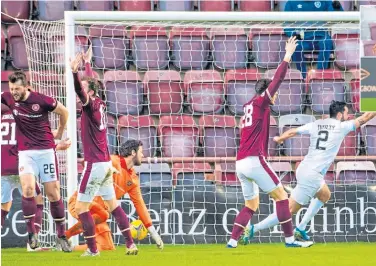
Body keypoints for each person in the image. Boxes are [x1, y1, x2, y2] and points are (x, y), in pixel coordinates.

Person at [245, 102, 376, 241]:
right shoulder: (342, 126)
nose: (347, 115)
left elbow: (293, 131)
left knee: (325, 194)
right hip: (312, 175)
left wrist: (280, 138)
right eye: (345, 112)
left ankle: (301, 228)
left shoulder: (317, 123)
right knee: (288, 211)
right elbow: (366, 117)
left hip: (304, 168)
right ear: (339, 114)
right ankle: (254, 228)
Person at [227, 36, 313, 248]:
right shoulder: (261, 102)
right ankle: (290, 240)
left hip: (240, 163)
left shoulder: (247, 105)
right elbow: (277, 80)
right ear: (267, 93)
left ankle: (232, 241)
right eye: (273, 95)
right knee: (282, 197)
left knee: (251, 204)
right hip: (255, 160)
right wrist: (287, 55)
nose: (274, 98)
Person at [70, 47, 137, 257]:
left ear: (89, 92)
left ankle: (92, 251)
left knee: (81, 208)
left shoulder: (89, 105)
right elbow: (89, 85)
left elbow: (81, 90)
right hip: (106, 163)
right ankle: (130, 244)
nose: (81, 88)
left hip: (95, 164)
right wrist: (87, 64)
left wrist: (74, 72)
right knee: (114, 205)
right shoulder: (100, 103)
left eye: (83, 86)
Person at [1, 72, 71, 251]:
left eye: (17, 89)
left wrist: (60, 132)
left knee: (53, 193)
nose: (14, 92)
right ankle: (32, 235)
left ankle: (61, 234)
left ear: (26, 87)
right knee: (28, 189)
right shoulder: (8, 98)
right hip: (26, 153)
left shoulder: (41, 100)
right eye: (11, 89)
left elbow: (64, 111)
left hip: (46, 151)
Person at [65, 140, 164, 251]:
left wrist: (154, 233)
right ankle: (66, 235)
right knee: (104, 214)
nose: (143, 155)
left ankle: (68, 248)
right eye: (141, 151)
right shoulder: (111, 161)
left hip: (98, 212)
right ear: (133, 152)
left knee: (107, 247)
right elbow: (87, 162)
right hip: (79, 204)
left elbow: (140, 205)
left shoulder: (133, 179)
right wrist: (105, 170)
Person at [284, 0, 343, 78]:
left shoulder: (325, 1)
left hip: (321, 36)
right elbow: (286, 25)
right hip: (302, 38)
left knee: (327, 42)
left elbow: (338, 17)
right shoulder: (291, 3)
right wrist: (293, 34)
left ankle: (319, 75)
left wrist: (337, 8)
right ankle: (303, 77)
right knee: (295, 45)